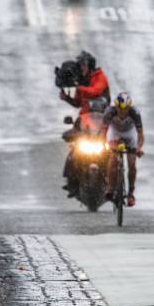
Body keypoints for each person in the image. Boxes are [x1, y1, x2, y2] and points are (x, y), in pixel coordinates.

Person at [59, 51, 111, 197]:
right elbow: (77, 103)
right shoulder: (81, 80)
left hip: (102, 119)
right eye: (80, 65)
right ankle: (71, 182)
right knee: (74, 149)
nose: (81, 67)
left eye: (83, 64)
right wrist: (67, 98)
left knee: (113, 150)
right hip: (85, 119)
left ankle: (116, 180)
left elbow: (96, 91)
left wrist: (79, 87)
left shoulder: (100, 77)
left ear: (90, 65)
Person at [101, 92, 144, 207]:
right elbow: (103, 131)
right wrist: (104, 145)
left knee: (132, 163)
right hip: (114, 133)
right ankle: (110, 187)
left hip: (130, 135)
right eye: (119, 109)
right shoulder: (109, 111)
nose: (122, 112)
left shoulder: (135, 112)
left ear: (129, 107)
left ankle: (131, 193)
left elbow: (140, 133)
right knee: (113, 157)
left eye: (125, 110)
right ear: (116, 107)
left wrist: (139, 148)